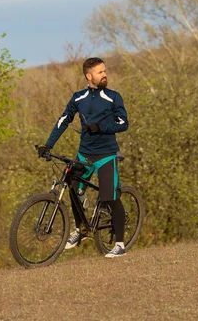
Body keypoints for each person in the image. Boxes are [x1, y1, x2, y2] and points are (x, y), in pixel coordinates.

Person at [37, 57, 129, 258]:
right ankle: (81, 230)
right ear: (89, 76)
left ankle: (120, 245)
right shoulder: (78, 98)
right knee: (72, 187)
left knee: (110, 197)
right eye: (100, 72)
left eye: (105, 71)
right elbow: (63, 120)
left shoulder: (113, 97)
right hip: (84, 154)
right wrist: (48, 145)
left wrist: (102, 128)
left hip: (106, 154)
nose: (104, 75)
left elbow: (123, 123)